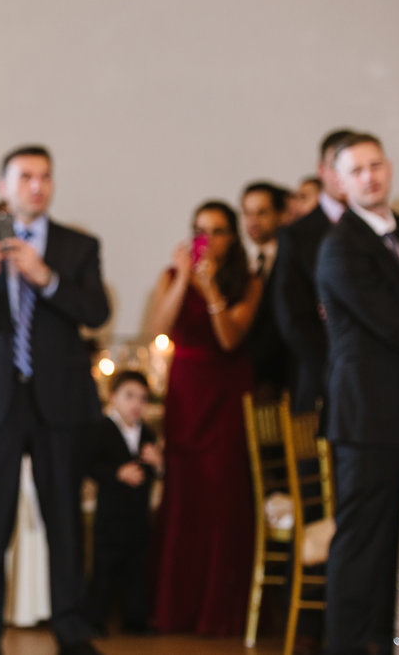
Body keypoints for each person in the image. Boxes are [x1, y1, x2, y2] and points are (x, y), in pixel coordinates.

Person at [0, 145, 110, 655]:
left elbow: (95, 311)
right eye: (25, 177)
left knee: (64, 517)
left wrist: (49, 280)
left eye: (44, 177)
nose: (36, 186)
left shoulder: (77, 246)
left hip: (59, 401)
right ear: (4, 186)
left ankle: (71, 628)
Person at [147, 200, 261, 636]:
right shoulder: (172, 276)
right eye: (200, 230)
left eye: (216, 231)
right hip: (186, 391)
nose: (207, 239)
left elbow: (231, 339)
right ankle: (177, 609)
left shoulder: (247, 281)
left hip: (228, 393)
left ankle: (221, 611)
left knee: (223, 498)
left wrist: (211, 290)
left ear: (232, 238)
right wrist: (184, 281)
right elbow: (159, 326)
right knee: (184, 498)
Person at [317, 132, 399, 654]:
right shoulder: (341, 246)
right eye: (357, 170)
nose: (370, 176)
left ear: (389, 168)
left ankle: (383, 639)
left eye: (377, 165)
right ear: (339, 180)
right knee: (361, 542)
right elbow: (394, 324)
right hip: (368, 415)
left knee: (393, 543)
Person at [273, 129, 355, 413]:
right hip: (322, 374)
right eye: (339, 166)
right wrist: (336, 363)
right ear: (323, 170)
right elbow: (292, 317)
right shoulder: (296, 236)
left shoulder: (386, 229)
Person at [85, 370, 161, 637]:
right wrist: (117, 473)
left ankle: (136, 620)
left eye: (142, 398)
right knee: (104, 568)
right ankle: (95, 620)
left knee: (136, 569)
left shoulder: (148, 434)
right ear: (113, 397)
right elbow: (91, 465)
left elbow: (156, 472)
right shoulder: (102, 429)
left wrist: (157, 463)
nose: (136, 404)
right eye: (129, 396)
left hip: (138, 516)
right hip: (111, 516)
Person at [240, 181, 289, 399]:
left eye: (262, 213)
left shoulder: (292, 260)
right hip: (244, 377)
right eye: (247, 213)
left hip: (284, 375)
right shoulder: (240, 262)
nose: (253, 221)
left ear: (279, 215)